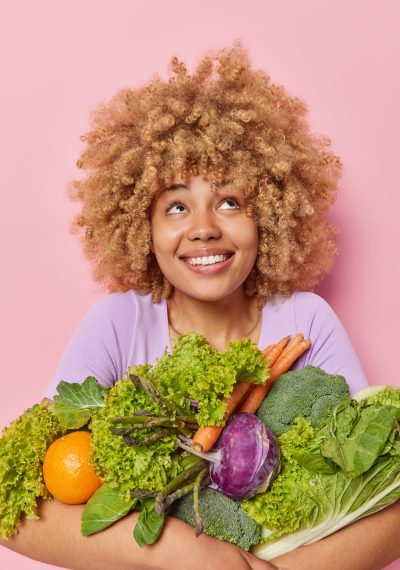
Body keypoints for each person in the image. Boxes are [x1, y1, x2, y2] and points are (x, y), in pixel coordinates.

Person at [1, 44, 399, 570]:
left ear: (272, 217)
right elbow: (24, 501)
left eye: (231, 202)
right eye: (177, 205)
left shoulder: (306, 321)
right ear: (142, 226)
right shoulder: (120, 324)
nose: (205, 227)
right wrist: (188, 555)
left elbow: (386, 493)